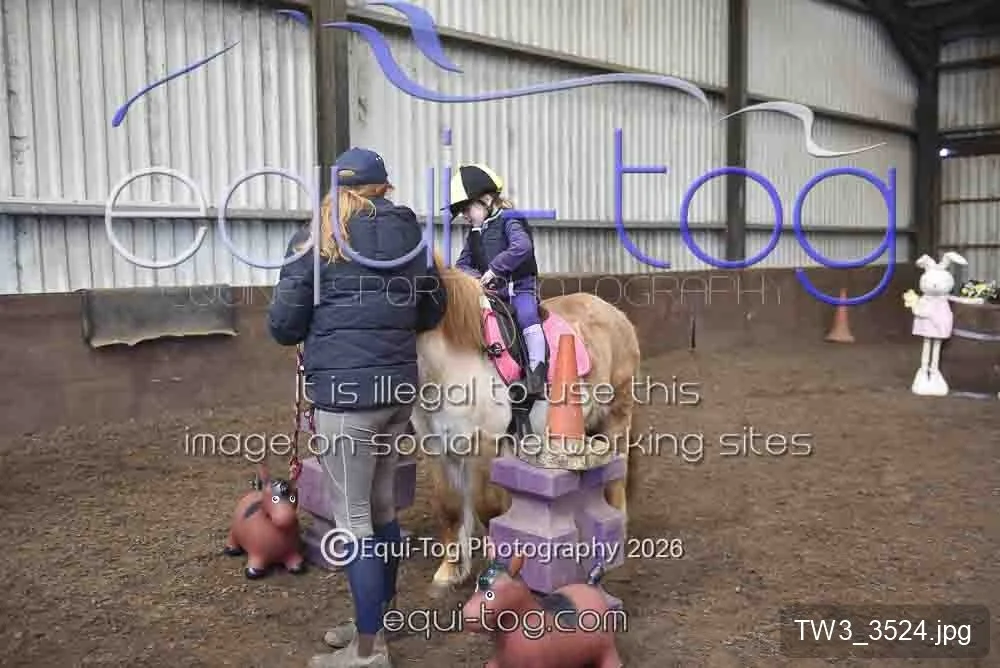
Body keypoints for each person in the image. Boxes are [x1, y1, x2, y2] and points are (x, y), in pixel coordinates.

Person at [267, 147, 447, 668]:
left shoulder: (316, 238)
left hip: (347, 400)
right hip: (397, 394)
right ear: (384, 188)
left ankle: (369, 652)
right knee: (383, 509)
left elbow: (283, 325)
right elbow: (431, 310)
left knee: (354, 519)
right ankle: (376, 622)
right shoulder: (413, 238)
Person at [450, 163, 547, 396]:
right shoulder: (475, 232)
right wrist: (476, 278)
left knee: (527, 316)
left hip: (519, 288)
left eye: (467, 209)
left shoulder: (510, 220)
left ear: (486, 200)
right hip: (493, 293)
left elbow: (522, 246)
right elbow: (462, 265)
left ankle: (537, 372)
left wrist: (495, 269)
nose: (464, 216)